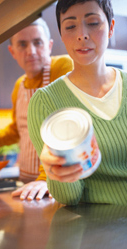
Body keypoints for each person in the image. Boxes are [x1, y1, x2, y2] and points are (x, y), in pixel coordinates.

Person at [28, 0, 127, 206]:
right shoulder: (46, 102)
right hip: (95, 230)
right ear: (62, 35)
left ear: (110, 28)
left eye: (92, 22)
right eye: (70, 26)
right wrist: (55, 170)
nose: (82, 34)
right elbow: (69, 197)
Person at [0, 18, 74, 200]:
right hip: (27, 181)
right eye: (22, 44)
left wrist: (46, 176)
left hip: (55, 182)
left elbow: (67, 127)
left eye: (37, 43)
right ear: (12, 51)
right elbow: (17, 130)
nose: (30, 51)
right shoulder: (19, 86)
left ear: (49, 45)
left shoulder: (64, 67)